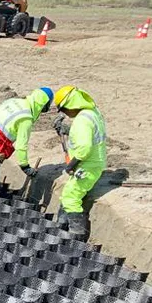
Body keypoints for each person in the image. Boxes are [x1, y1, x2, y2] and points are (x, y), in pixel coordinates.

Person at [0, 87, 54, 204]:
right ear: (44, 105)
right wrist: (25, 167)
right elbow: (21, 146)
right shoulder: (26, 118)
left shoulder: (13, 102)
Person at [53, 86, 107, 242]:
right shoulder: (92, 112)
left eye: (64, 109)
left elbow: (83, 149)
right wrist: (67, 130)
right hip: (94, 162)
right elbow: (85, 135)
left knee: (71, 198)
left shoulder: (82, 120)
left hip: (88, 165)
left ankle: (76, 237)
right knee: (68, 192)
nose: (65, 113)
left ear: (71, 105)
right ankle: (61, 226)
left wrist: (70, 166)